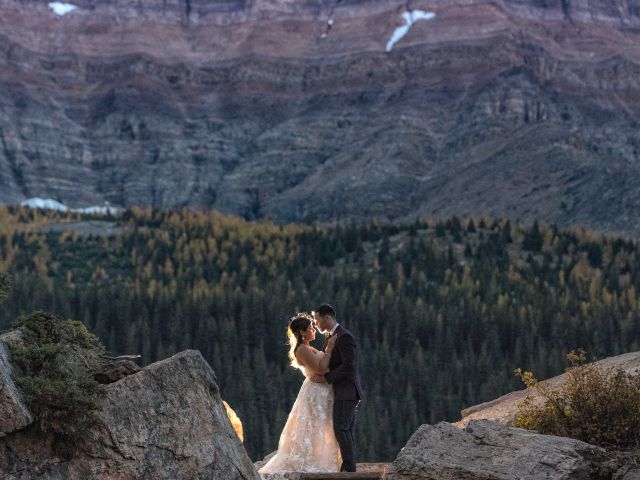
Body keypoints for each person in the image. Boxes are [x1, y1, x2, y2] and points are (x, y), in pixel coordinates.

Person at [258, 313, 340, 479]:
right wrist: (330, 347)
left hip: (322, 391)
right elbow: (321, 368)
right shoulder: (301, 350)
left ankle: (322, 459)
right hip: (315, 394)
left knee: (323, 426)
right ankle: (311, 461)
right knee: (313, 427)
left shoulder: (308, 347)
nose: (314, 330)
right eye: (310, 328)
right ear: (302, 332)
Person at [311, 304, 363, 473]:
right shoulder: (331, 337)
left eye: (317, 320)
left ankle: (348, 469)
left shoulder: (344, 337)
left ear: (327, 318)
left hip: (347, 390)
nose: (316, 324)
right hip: (342, 391)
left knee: (341, 428)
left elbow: (349, 366)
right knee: (345, 429)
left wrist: (325, 378)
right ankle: (349, 468)